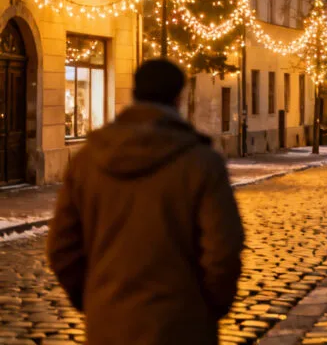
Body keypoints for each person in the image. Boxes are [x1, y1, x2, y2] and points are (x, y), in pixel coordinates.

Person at [46, 59, 244, 345]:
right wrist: (207, 307)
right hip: (182, 324)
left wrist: (94, 299)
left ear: (134, 93)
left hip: (109, 323)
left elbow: (61, 248)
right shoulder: (202, 162)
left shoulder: (87, 161)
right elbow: (223, 250)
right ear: (179, 97)